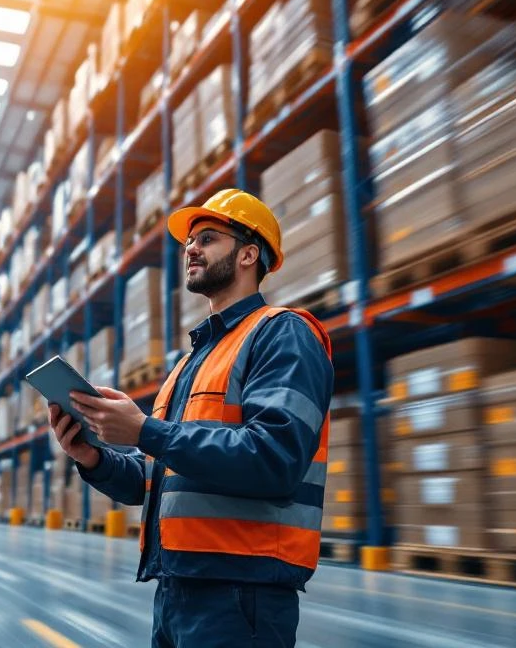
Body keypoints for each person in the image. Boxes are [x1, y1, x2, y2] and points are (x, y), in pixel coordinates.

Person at [48, 189, 334, 647]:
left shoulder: (283, 333)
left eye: (207, 238)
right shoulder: (190, 363)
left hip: (241, 594)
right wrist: (93, 457)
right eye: (188, 242)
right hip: (176, 589)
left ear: (248, 254)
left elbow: (275, 458)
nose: (191, 249)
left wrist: (144, 429)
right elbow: (157, 481)